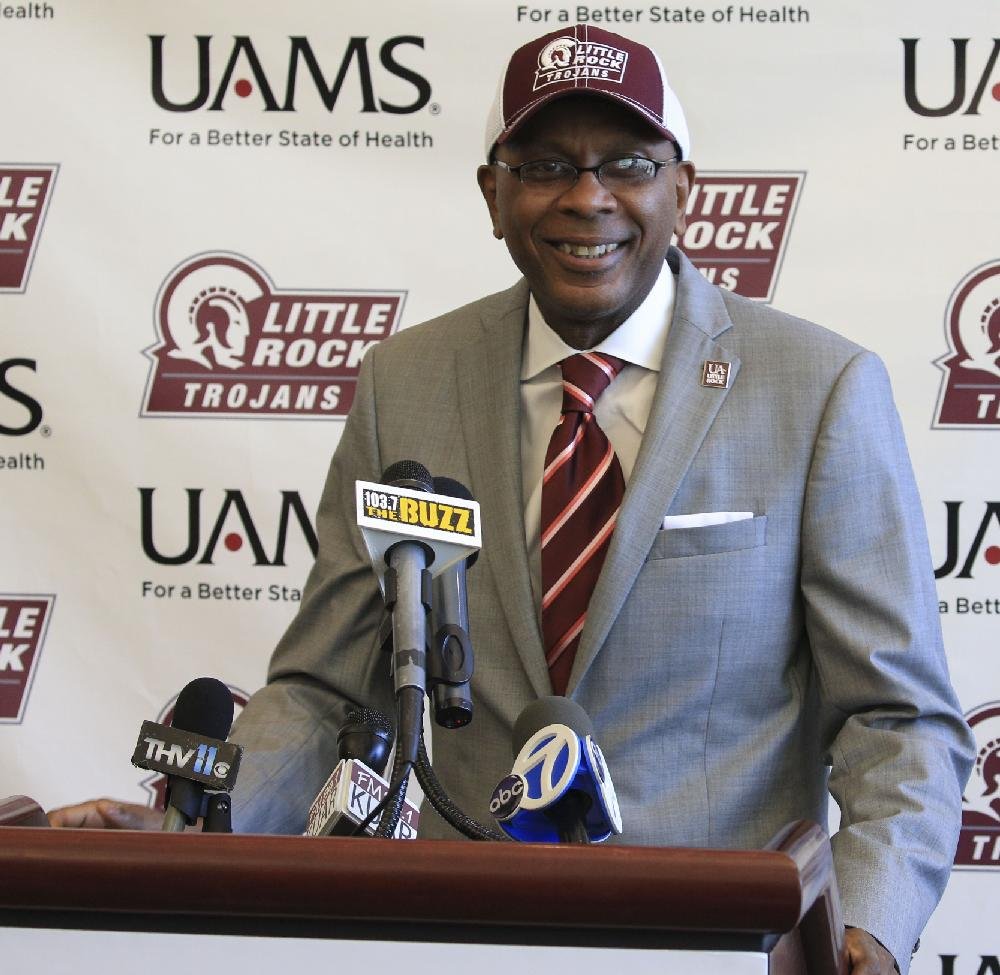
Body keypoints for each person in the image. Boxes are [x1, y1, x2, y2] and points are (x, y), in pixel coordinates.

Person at [50, 25, 973, 975]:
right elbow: (323, 690)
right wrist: (202, 834)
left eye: (626, 161)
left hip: (722, 944)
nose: (587, 196)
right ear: (493, 195)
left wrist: (866, 926)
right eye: (543, 164)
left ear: (682, 187)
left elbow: (898, 721)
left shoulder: (817, 388)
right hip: (459, 938)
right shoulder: (406, 382)